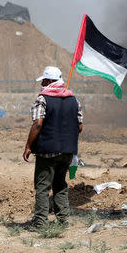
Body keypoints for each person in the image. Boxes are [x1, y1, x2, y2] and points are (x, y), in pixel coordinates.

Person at [23, 66, 83, 228]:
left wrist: (28, 146)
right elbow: (79, 126)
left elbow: (37, 124)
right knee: (60, 185)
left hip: (47, 151)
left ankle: (40, 223)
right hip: (68, 151)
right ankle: (63, 221)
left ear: (49, 81)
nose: (42, 83)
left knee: (42, 187)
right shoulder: (73, 99)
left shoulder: (43, 99)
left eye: (43, 80)